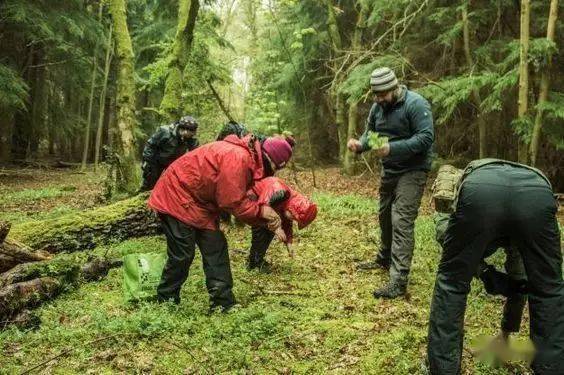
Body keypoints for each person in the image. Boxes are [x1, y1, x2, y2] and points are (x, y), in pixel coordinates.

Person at [427, 159, 564, 375]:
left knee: (450, 283)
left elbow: (454, 258)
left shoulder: (461, 192)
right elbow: (524, 280)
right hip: (537, 195)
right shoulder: (454, 194)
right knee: (549, 290)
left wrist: (505, 333)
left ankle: (443, 369)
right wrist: (484, 271)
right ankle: (551, 369)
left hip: (481, 195)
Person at [148, 133, 294, 312]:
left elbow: (241, 195)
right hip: (176, 196)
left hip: (201, 205)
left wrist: (265, 218)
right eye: (274, 167)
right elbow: (232, 201)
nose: (273, 172)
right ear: (270, 158)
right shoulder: (238, 157)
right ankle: (166, 300)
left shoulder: (249, 159)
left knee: (216, 247)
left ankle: (222, 303)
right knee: (183, 254)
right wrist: (261, 212)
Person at [347, 66, 434, 298]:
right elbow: (371, 133)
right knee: (385, 215)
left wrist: (392, 148)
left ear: (394, 88)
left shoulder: (416, 105)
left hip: (413, 170)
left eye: (382, 94)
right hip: (390, 170)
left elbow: (426, 138)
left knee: (401, 219)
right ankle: (384, 259)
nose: (378, 99)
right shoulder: (378, 107)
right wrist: (361, 145)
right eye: (375, 95)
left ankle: (399, 280)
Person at [246, 177, 318, 272]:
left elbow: (286, 223)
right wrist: (277, 229)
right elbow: (263, 207)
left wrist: (288, 243)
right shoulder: (279, 192)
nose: (293, 219)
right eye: (294, 217)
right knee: (263, 228)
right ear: (293, 209)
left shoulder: (287, 204)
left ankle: (258, 258)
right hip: (250, 198)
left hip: (261, 205)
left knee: (273, 226)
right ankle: (254, 263)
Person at [140, 115, 199, 191]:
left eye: (192, 131)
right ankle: (143, 196)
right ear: (183, 129)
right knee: (150, 182)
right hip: (156, 161)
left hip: (173, 163)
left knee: (172, 185)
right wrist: (147, 161)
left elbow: (194, 155)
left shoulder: (191, 140)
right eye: (187, 131)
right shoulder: (165, 131)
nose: (189, 134)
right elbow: (151, 145)